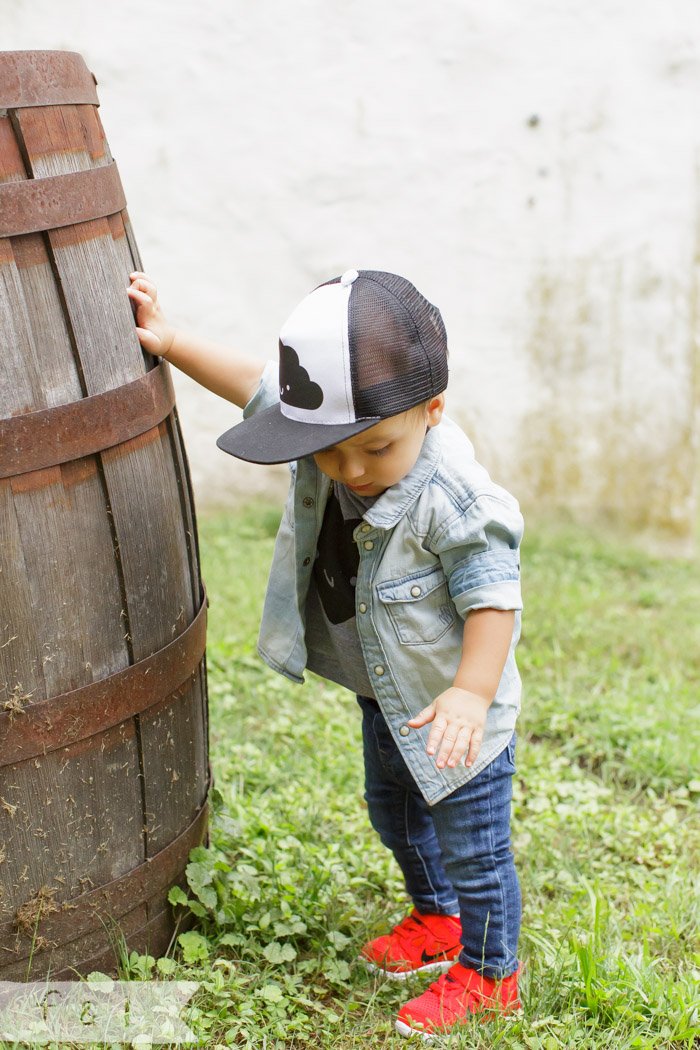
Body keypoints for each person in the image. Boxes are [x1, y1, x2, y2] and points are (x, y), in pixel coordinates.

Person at [128, 267, 524, 1038]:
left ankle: (491, 969)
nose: (347, 470)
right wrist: (171, 341)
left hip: (457, 719)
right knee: (395, 816)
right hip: (387, 699)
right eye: (328, 451)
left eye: (374, 449)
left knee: (473, 847)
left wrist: (471, 694)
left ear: (432, 411)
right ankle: (436, 920)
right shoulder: (332, 432)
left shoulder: (455, 497)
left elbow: (493, 596)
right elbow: (254, 385)